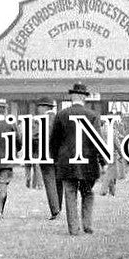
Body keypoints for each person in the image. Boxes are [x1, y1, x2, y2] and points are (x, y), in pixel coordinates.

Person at [50, 82, 102, 235]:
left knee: (70, 193)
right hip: (88, 161)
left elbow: (54, 142)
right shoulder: (92, 116)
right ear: (83, 97)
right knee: (88, 192)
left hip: (67, 162)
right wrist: (102, 162)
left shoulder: (61, 115)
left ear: (72, 96)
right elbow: (98, 142)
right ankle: (87, 224)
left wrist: (55, 160)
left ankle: (73, 228)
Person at [33, 97, 63, 219]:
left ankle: (55, 210)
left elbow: (35, 137)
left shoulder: (39, 120)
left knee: (49, 182)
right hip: (60, 156)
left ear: (44, 107)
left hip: (45, 155)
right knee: (59, 182)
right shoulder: (60, 118)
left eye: (39, 107)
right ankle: (59, 207)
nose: (37, 109)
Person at [97, 114, 127, 196]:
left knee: (111, 171)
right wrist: (121, 154)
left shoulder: (100, 130)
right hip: (111, 153)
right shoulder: (112, 131)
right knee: (110, 171)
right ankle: (103, 190)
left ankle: (112, 191)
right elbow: (116, 144)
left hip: (102, 153)